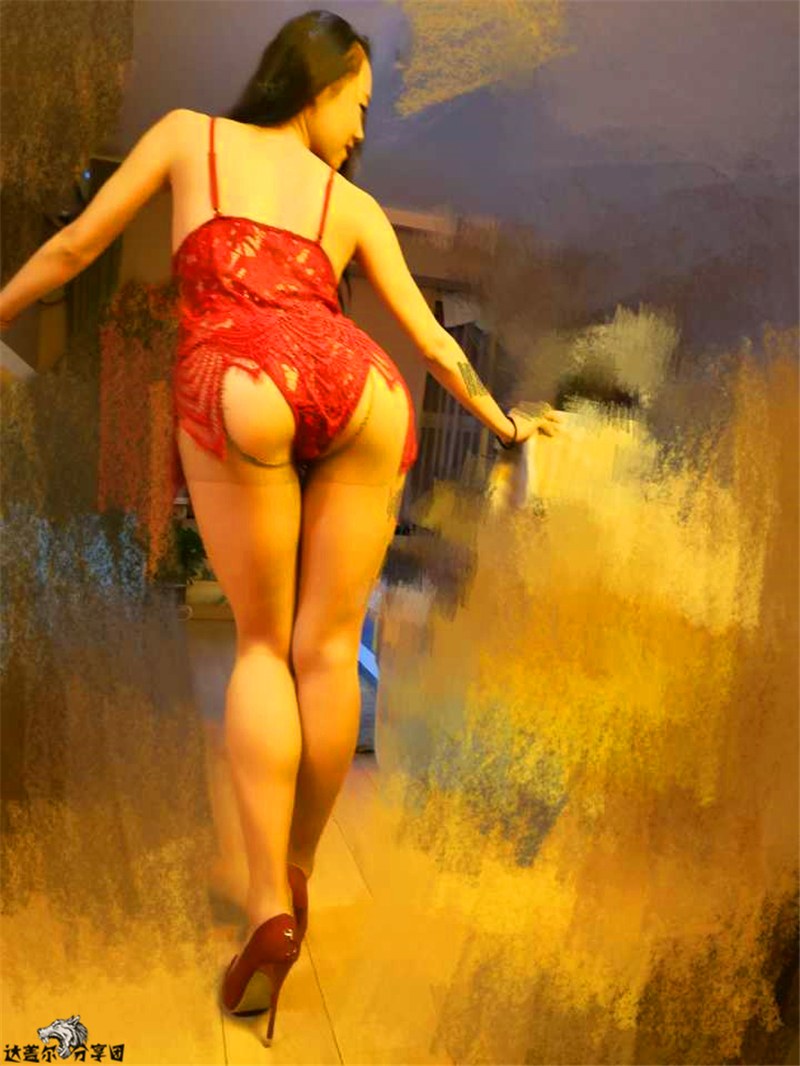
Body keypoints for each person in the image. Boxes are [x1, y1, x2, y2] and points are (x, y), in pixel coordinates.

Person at [0, 8, 561, 1044]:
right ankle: (295, 873)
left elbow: (76, 244)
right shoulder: (352, 207)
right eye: (360, 103)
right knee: (327, 652)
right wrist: (501, 422)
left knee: (261, 645)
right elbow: (432, 343)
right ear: (320, 79)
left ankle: (267, 902)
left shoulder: (188, 138)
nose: (362, 129)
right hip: (360, 383)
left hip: (239, 374)